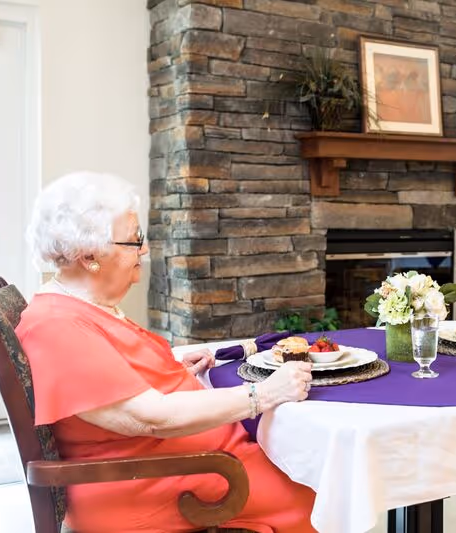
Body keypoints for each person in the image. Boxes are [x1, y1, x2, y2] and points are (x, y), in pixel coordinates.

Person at [16, 171, 317, 533]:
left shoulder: (79, 308)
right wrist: (264, 393)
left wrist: (173, 372)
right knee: (317, 492)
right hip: (151, 483)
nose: (143, 250)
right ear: (89, 256)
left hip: (181, 461)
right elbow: (146, 418)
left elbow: (113, 385)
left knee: (311, 461)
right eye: (133, 240)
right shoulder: (57, 326)